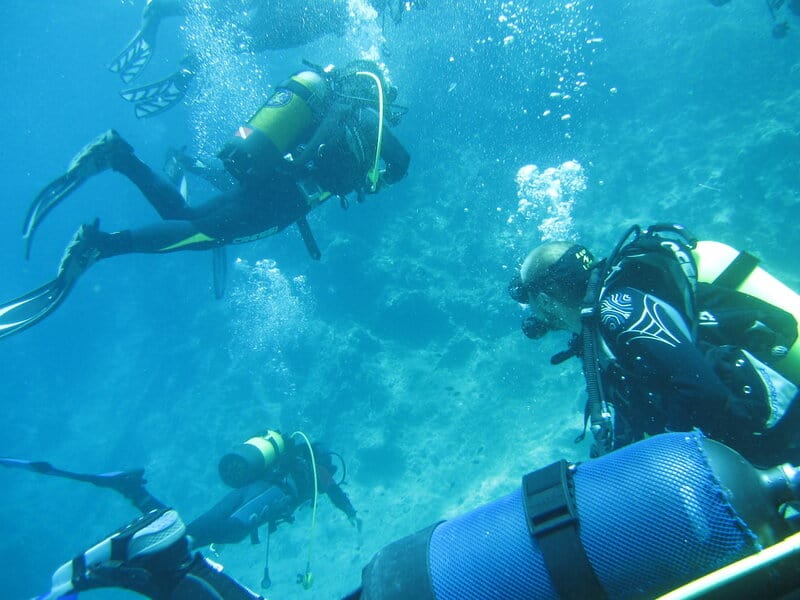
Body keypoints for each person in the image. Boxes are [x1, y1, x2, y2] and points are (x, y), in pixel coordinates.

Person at [1, 59, 410, 340]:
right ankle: (99, 246)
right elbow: (400, 161)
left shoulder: (329, 101)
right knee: (205, 235)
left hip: (271, 180)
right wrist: (380, 174)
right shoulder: (363, 113)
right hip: (285, 196)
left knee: (186, 215)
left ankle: (119, 156)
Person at [508, 223, 800, 464]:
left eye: (533, 304)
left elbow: (705, 391)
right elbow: (628, 409)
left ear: (546, 301)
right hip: (748, 441)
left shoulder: (619, 311)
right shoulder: (596, 330)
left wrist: (673, 459)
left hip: (772, 434)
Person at [4, 429, 360, 594]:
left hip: (251, 488)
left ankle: (136, 496)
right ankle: (145, 528)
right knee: (231, 530)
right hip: (269, 494)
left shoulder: (290, 458)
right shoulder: (316, 467)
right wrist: (351, 515)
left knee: (191, 533)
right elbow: (336, 492)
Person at [111, 0, 424, 117]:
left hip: (298, 20)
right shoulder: (367, 10)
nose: (403, 10)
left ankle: (185, 59)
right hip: (297, 17)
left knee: (236, 28)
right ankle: (165, 20)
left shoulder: (370, 11)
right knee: (240, 29)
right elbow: (362, 35)